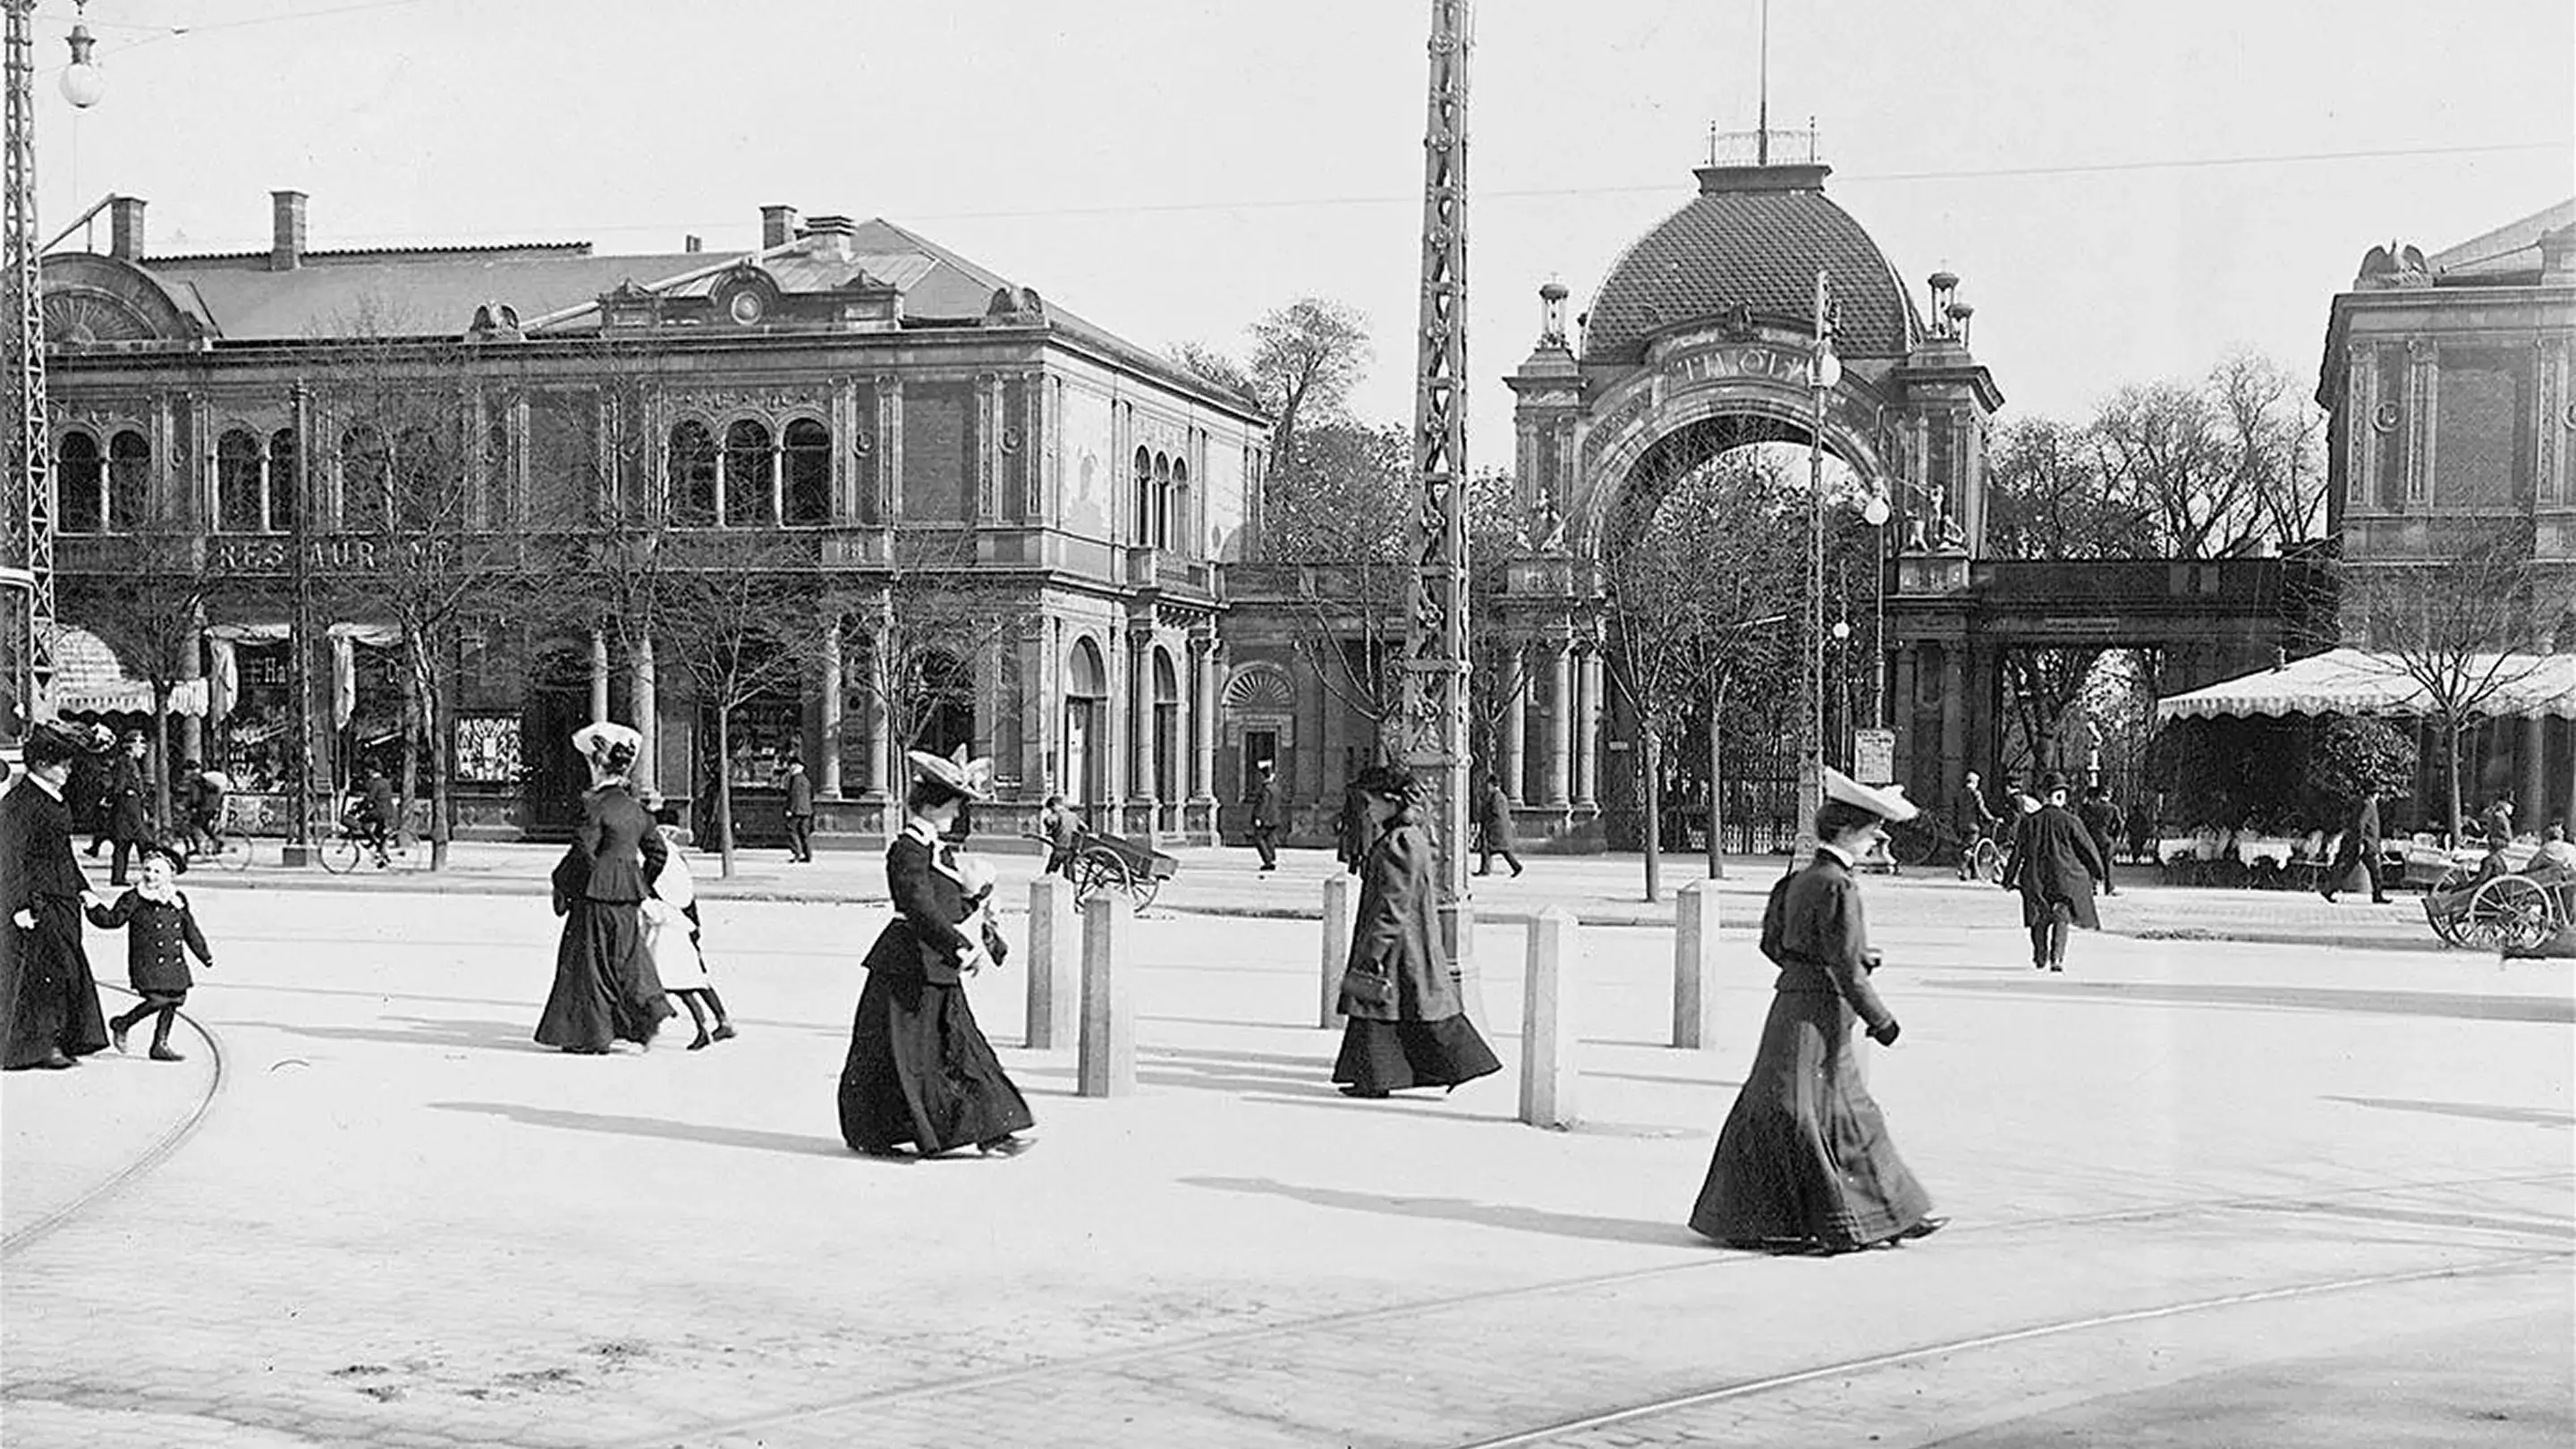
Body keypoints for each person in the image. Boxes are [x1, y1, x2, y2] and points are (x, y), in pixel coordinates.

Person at [1688, 767, 1942, 1254]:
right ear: (1847, 831)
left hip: (1790, 1006)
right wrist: (1883, 1022)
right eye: (1871, 833)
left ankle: (1890, 1213)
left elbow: (1773, 945)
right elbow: (1846, 967)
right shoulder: (1840, 887)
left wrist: (1809, 965)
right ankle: (1850, 1217)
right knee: (1806, 1112)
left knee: (1833, 1111)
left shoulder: (1797, 882)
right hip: (1822, 1015)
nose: (1876, 841)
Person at [839, 748, 1034, 1159]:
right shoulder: (908, 849)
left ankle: (993, 1130)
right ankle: (877, 1133)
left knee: (961, 1046)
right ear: (931, 805)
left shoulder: (935, 849)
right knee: (896, 1053)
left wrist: (976, 901)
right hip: (907, 964)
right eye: (952, 805)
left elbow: (942, 907)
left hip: (934, 965)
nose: (957, 813)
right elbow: (918, 906)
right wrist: (960, 945)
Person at [1330, 763, 1503, 1099]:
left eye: (1372, 802)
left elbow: (1392, 904)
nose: (1367, 810)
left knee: (1387, 1005)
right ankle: (1375, 1076)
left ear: (1392, 802)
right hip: (1405, 943)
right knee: (1394, 1009)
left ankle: (1453, 1066)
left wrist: (1373, 950)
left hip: (1400, 946)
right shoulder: (1406, 838)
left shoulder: (1401, 843)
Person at [534, 723, 674, 1055]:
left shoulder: (593, 805)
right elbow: (658, 853)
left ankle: (591, 1036)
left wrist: (566, 882)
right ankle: (644, 1020)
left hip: (595, 896)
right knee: (625, 960)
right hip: (627, 896)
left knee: (589, 966)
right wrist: (637, 881)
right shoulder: (637, 809)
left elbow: (583, 851)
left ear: (598, 764)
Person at [0, 723, 112, 1070]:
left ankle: (64, 1037)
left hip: (62, 896)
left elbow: (64, 851)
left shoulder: (53, 798)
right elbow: (8, 857)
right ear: (41, 765)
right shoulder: (20, 803)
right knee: (47, 969)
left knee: (67, 966)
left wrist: (82, 888)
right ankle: (42, 1045)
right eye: (61, 764)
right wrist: (18, 905)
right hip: (37, 900)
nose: (67, 770)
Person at [89, 842, 213, 1063]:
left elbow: (189, 929)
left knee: (176, 998)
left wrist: (203, 954)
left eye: (157, 871)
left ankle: (160, 1044)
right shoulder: (134, 898)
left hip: (174, 962)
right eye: (147, 869)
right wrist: (93, 907)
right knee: (157, 999)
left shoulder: (178, 900)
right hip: (147, 962)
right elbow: (112, 920)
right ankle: (123, 1023)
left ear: (169, 876)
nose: (150, 875)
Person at [640, 794, 735, 1051]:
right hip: (686, 920)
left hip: (671, 922)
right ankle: (721, 1020)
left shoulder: (661, 854)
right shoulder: (675, 854)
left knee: (672, 978)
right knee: (693, 976)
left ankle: (660, 1029)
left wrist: (645, 902)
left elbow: (656, 887)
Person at [2003, 772, 2107, 972]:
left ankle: (2040, 953)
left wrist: (2009, 878)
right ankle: (2057, 957)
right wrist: (2098, 872)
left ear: (2043, 796)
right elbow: (2087, 848)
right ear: (2061, 796)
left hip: (2035, 877)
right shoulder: (2070, 821)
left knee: (2038, 918)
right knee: (2061, 915)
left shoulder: (2029, 822)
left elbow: (2017, 853)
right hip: (2065, 877)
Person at [2321, 787, 2391, 905]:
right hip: (2367, 844)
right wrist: (2361, 842)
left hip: (2367, 844)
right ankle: (2377, 895)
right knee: (2375, 871)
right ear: (2376, 794)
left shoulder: (2366, 803)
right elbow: (2360, 824)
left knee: (2349, 868)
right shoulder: (2368, 805)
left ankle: (2329, 890)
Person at [103, 730, 151, 886]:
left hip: (130, 805)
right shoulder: (125, 762)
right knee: (136, 842)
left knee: (125, 844)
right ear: (131, 746)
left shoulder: (130, 762)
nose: (143, 749)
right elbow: (120, 785)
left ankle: (119, 877)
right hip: (127, 807)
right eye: (141, 744)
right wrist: (112, 798)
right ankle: (125, 877)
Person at [2076, 784, 2123, 896]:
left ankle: (2093, 887)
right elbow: (2119, 824)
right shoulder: (2113, 808)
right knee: (2108, 864)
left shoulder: (2089, 808)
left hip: (2091, 839)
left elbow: (2081, 821)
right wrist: (2113, 837)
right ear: (2110, 795)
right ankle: (2109, 888)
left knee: (2091, 861)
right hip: (2106, 839)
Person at [1473, 776, 1523, 878]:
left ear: (1492, 785)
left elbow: (1495, 812)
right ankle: (1516, 867)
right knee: (1502, 850)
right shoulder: (1498, 796)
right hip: (1498, 829)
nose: (1487, 787)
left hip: (1496, 828)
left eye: (1488, 785)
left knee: (1487, 848)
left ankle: (1485, 870)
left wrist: (1486, 823)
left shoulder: (1497, 797)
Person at [348, 765, 397, 868]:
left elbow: (369, 799)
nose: (369, 773)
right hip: (388, 811)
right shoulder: (386, 782)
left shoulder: (376, 784)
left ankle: (377, 846)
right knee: (378, 833)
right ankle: (383, 854)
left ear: (374, 772)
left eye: (370, 771)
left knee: (363, 824)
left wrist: (358, 810)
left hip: (379, 811)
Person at [1245, 759, 1280, 872]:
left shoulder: (1266, 789)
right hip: (1274, 818)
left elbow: (1263, 805)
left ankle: (1268, 860)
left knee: (1258, 838)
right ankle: (1272, 859)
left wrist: (1258, 818)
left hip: (1266, 819)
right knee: (1270, 838)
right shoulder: (1275, 788)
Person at [1035, 792, 1081, 877]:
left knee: (1050, 871)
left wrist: (1050, 829)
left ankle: (1045, 885)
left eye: (1051, 809)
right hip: (1071, 848)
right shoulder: (1074, 816)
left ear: (1055, 805)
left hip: (1060, 847)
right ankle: (1072, 887)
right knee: (1069, 872)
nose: (1051, 811)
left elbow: (1049, 820)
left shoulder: (1057, 815)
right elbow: (1085, 827)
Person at [1333, 780, 1371, 877]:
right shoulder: (1369, 792)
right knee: (1364, 847)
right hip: (1364, 823)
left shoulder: (1353, 791)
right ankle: (1359, 866)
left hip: (1356, 823)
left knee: (1357, 846)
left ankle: (1354, 865)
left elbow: (1347, 810)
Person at [782, 758, 815, 863]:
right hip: (806, 810)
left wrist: (790, 809)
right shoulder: (806, 779)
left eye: (791, 766)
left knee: (792, 830)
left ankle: (797, 853)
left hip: (796, 810)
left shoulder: (795, 779)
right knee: (804, 833)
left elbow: (794, 795)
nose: (790, 768)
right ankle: (808, 854)